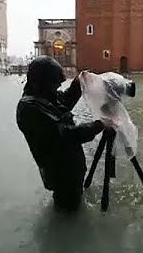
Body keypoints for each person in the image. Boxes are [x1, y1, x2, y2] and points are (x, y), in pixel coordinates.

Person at [16, 56, 106, 212]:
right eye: (55, 82)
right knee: (67, 210)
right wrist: (100, 124)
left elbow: (64, 102)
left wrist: (79, 82)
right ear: (41, 82)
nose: (59, 85)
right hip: (60, 174)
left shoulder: (45, 96)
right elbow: (65, 135)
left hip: (70, 169)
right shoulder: (29, 108)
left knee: (71, 204)